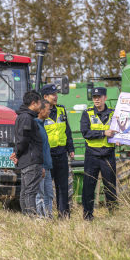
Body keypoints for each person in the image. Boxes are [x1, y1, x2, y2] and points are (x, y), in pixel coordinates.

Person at [79, 87, 117, 220]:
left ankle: (113, 214)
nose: (96, 99)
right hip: (92, 155)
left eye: (99, 97)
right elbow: (85, 133)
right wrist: (102, 133)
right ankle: (88, 215)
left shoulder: (114, 113)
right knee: (88, 186)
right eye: (94, 97)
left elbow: (121, 130)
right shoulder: (87, 113)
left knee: (110, 187)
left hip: (108, 154)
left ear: (105, 98)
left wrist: (119, 140)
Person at [40, 83, 75, 218]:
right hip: (47, 154)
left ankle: (64, 214)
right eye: (53, 94)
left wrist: (70, 148)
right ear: (45, 97)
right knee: (47, 187)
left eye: (56, 94)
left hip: (61, 153)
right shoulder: (41, 113)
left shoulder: (61, 110)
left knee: (63, 186)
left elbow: (67, 130)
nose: (56, 97)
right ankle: (46, 214)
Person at [11, 90, 43, 215]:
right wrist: (17, 153)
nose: (41, 105)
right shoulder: (26, 118)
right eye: (40, 102)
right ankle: (31, 219)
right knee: (30, 192)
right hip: (31, 160)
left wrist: (17, 153)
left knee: (25, 192)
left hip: (26, 160)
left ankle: (27, 219)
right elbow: (23, 139)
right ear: (34, 103)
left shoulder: (24, 116)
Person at [35, 99, 54, 218]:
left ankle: (49, 216)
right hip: (41, 166)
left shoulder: (42, 125)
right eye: (48, 109)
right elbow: (37, 148)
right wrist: (40, 165)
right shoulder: (36, 126)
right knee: (40, 194)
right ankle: (41, 217)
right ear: (41, 110)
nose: (49, 112)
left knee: (49, 194)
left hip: (47, 167)